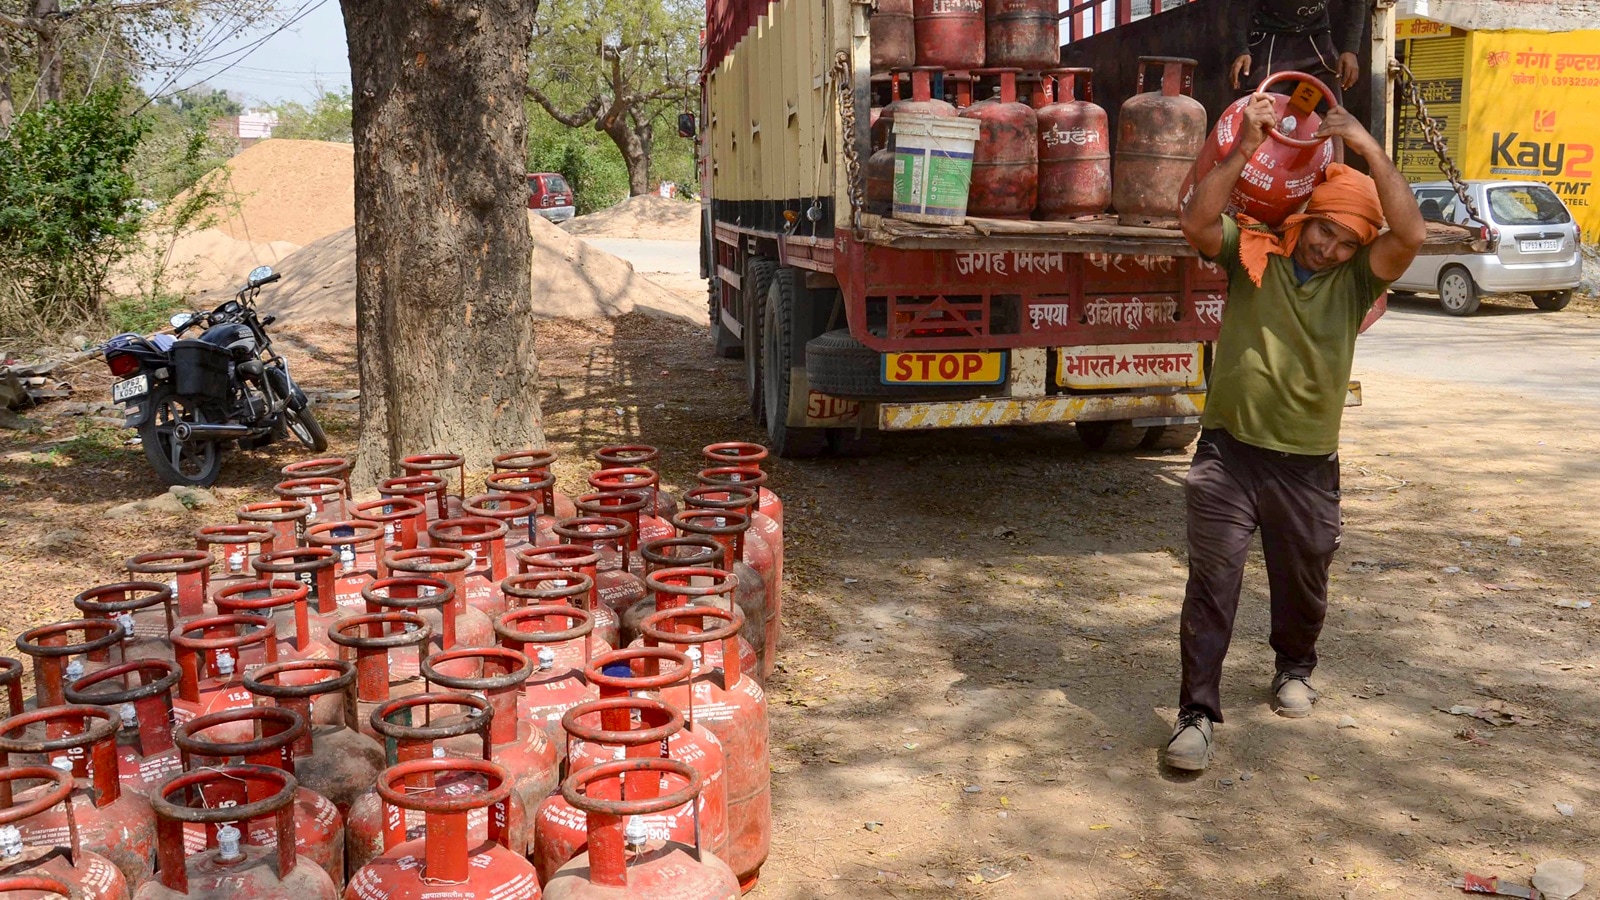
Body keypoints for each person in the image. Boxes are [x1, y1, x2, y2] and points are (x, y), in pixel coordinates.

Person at [1165, 97, 1425, 772]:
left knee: (1303, 576)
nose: (1329, 247)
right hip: (1229, 452)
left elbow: (1412, 235)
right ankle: (1195, 714)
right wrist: (1245, 151)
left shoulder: (1355, 280)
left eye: (1346, 240)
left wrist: (1368, 148)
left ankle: (1293, 667)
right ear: (1305, 217)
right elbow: (1195, 219)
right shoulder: (1253, 254)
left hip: (1308, 464)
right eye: (1325, 231)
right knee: (1213, 581)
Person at [1230, 0, 1371, 99]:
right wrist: (1241, 49)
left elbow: (1355, 2)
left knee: (1331, 113)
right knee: (1263, 112)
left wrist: (1351, 49)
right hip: (1272, 39)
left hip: (1316, 39)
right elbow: (1239, 4)